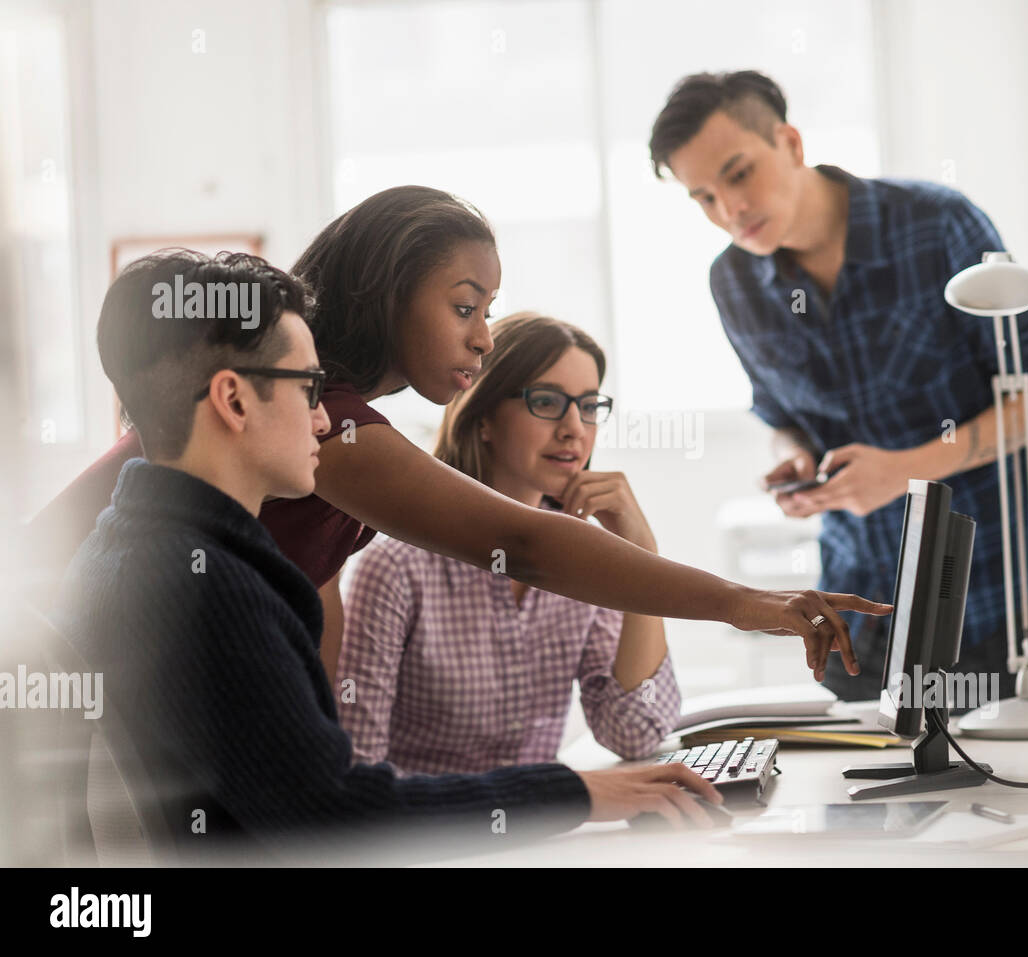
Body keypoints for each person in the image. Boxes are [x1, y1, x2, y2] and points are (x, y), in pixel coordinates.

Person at [31, 186, 892, 690]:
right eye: (464, 306)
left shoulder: (332, 421)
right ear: (387, 292)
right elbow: (521, 541)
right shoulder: (314, 417)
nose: (485, 336)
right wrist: (753, 604)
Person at [56, 251, 727, 863]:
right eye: (308, 388)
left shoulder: (128, 551)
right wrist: (578, 793)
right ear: (234, 399)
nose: (326, 420)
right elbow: (341, 814)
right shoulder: (209, 587)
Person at [649, 71, 1028, 702]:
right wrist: (790, 459)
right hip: (857, 612)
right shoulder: (732, 283)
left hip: (991, 600)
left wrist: (905, 471)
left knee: (1015, 794)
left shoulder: (938, 225)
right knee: (864, 799)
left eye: (739, 175)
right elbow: (780, 416)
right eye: (704, 198)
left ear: (790, 143)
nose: (729, 211)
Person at [339, 312, 680, 772]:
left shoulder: (582, 556)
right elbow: (357, 768)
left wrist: (641, 556)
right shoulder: (395, 568)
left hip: (542, 833)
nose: (574, 429)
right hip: (428, 837)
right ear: (484, 418)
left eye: (589, 406)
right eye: (546, 401)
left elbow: (635, 733)